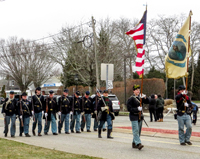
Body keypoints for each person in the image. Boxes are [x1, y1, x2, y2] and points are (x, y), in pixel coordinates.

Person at [127, 84, 149, 150]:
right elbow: (129, 108)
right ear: (133, 91)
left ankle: (134, 143)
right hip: (134, 116)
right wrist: (137, 109)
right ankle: (139, 143)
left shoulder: (140, 98)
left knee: (138, 131)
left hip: (140, 116)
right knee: (135, 130)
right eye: (136, 90)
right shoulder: (131, 99)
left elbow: (148, 101)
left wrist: (145, 97)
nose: (138, 91)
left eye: (139, 90)